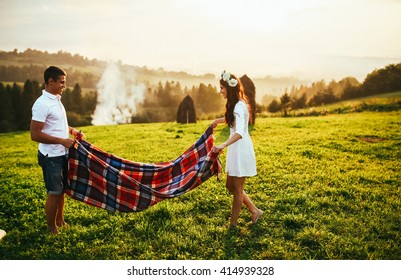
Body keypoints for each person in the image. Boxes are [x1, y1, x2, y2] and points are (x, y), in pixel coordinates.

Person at [30, 66, 82, 234]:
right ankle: (51, 227)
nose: (64, 86)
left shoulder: (56, 100)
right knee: (54, 192)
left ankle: (60, 220)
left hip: (62, 153)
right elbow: (35, 134)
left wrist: (72, 131)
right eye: (61, 82)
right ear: (50, 81)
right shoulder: (42, 104)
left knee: (62, 191)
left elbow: (56, 125)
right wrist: (62, 140)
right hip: (50, 156)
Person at [212, 70, 263, 227]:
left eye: (222, 88)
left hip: (241, 150)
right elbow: (232, 120)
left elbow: (240, 132)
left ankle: (233, 225)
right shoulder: (236, 105)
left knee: (238, 190)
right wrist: (217, 121)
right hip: (235, 149)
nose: (220, 91)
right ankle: (255, 210)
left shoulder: (239, 107)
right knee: (230, 186)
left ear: (230, 88)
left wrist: (222, 145)